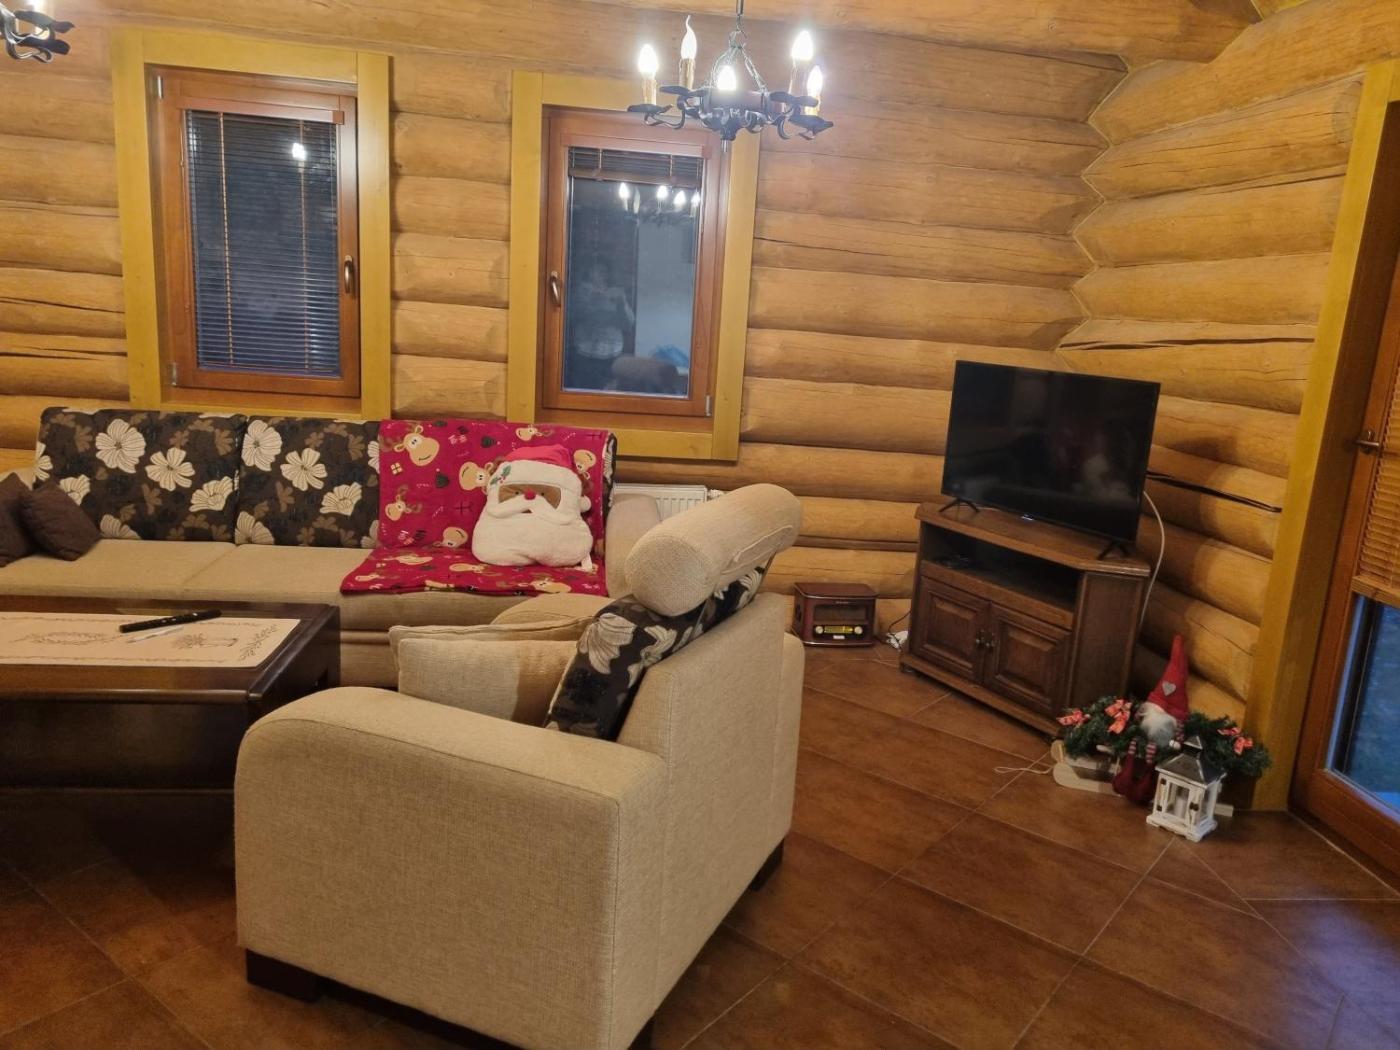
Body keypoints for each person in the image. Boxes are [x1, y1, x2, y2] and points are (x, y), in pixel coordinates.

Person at [565, 259, 634, 392]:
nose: (602, 274)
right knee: (584, 390)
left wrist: (623, 303)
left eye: (604, 271)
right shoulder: (580, 292)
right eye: (596, 270)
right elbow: (572, 317)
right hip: (585, 351)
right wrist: (593, 301)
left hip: (612, 352)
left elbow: (629, 324)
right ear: (588, 272)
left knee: (608, 391)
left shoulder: (616, 293)